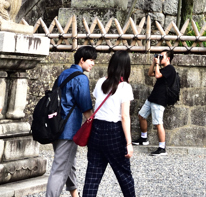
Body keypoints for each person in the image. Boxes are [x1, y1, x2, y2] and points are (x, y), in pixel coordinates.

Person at [82, 50, 135, 197]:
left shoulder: (100, 82)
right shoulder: (125, 87)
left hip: (96, 130)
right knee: (124, 175)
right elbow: (125, 116)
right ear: (126, 67)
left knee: (92, 176)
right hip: (114, 132)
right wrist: (129, 143)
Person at [46, 45, 97, 197]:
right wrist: (94, 127)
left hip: (56, 125)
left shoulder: (64, 74)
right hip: (69, 128)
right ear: (82, 60)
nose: (93, 63)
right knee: (59, 169)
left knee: (68, 162)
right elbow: (86, 108)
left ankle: (74, 194)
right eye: (91, 60)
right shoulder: (81, 78)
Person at [136, 49, 177, 155]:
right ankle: (143, 138)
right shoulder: (162, 68)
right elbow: (150, 73)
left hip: (160, 99)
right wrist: (154, 63)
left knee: (158, 123)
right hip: (152, 98)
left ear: (168, 58)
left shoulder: (170, 69)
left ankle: (162, 148)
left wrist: (157, 64)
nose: (160, 57)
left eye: (162, 56)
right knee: (141, 115)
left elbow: (158, 75)